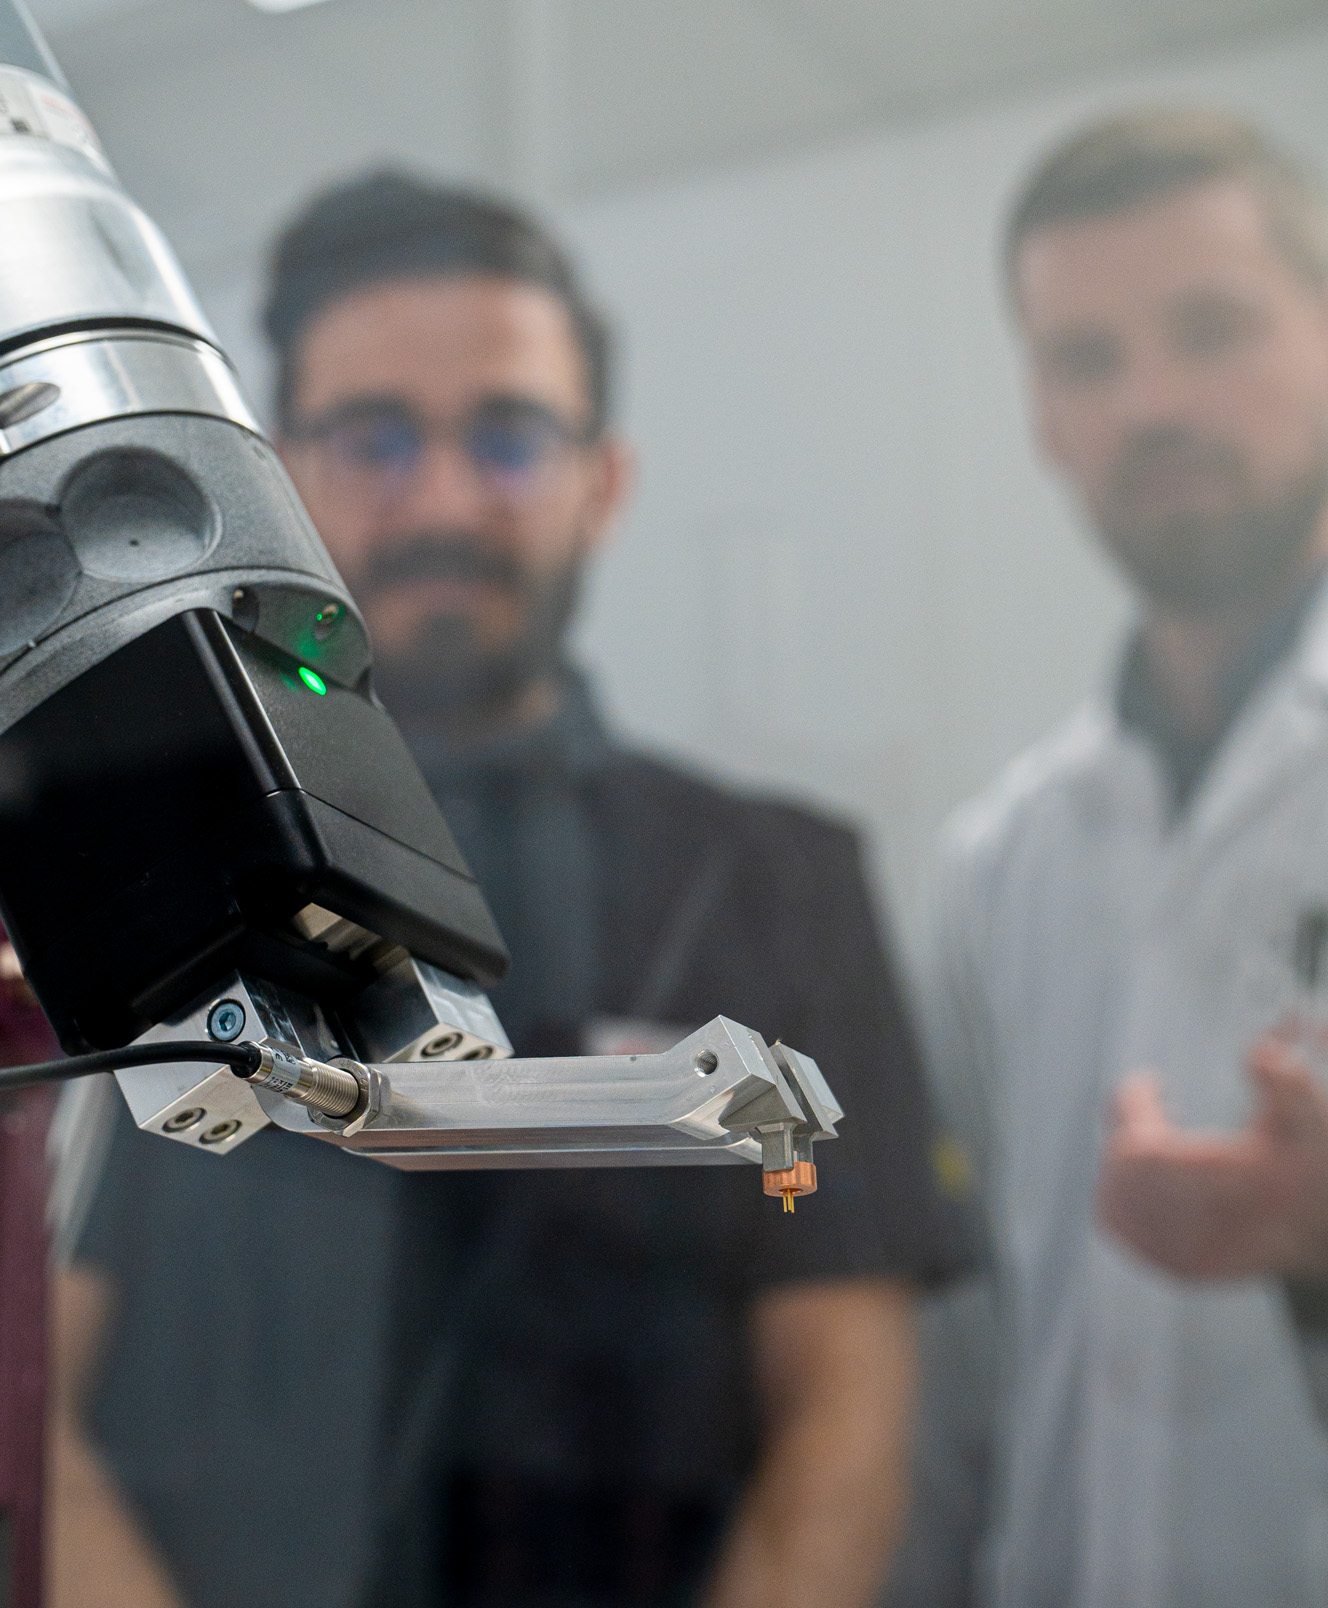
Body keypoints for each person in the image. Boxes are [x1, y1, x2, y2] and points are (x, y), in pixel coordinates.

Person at [48, 170, 966, 1608]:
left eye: (510, 438)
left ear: (607, 481)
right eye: (375, 437)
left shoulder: (775, 887)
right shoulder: (154, 881)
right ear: (280, 481)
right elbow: (27, 1399)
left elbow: (844, 1418)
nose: (446, 500)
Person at [912, 108, 1328, 1608]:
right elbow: (967, 1350)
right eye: (1088, 359)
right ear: (1043, 415)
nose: (1152, 403)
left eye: (1211, 329)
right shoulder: (999, 864)